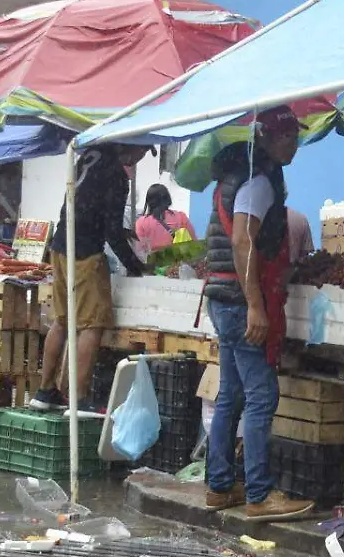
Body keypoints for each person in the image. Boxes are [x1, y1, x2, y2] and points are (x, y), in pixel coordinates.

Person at [204, 105, 315, 522]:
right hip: (238, 299)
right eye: (288, 138)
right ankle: (258, 494)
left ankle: (219, 486)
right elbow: (242, 242)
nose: (295, 146)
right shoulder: (258, 179)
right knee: (261, 396)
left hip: (223, 296)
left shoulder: (236, 173)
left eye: (296, 137)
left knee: (231, 394)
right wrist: (255, 304)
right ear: (266, 138)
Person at [30, 144, 152, 414]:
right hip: (84, 253)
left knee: (62, 320)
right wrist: (134, 266)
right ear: (129, 146)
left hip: (60, 245)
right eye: (141, 151)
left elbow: (87, 205)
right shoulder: (116, 175)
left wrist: (120, 232)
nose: (139, 158)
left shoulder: (88, 155)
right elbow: (109, 229)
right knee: (92, 324)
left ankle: (44, 390)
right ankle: (79, 397)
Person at [135, 183, 198, 252]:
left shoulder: (141, 223)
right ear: (168, 199)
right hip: (177, 260)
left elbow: (140, 250)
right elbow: (194, 243)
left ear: (149, 201)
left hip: (154, 261)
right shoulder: (181, 217)